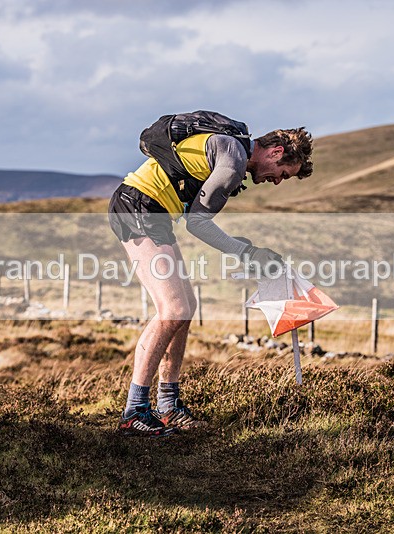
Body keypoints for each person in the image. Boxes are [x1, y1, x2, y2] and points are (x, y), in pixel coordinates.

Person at [108, 118, 313, 436]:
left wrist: (246, 250)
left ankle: (168, 404)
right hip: (139, 206)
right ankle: (134, 411)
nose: (276, 182)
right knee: (173, 309)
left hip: (153, 211)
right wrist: (247, 253)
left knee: (185, 307)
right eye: (283, 174)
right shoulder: (233, 159)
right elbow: (198, 223)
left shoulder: (232, 152)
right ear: (275, 152)